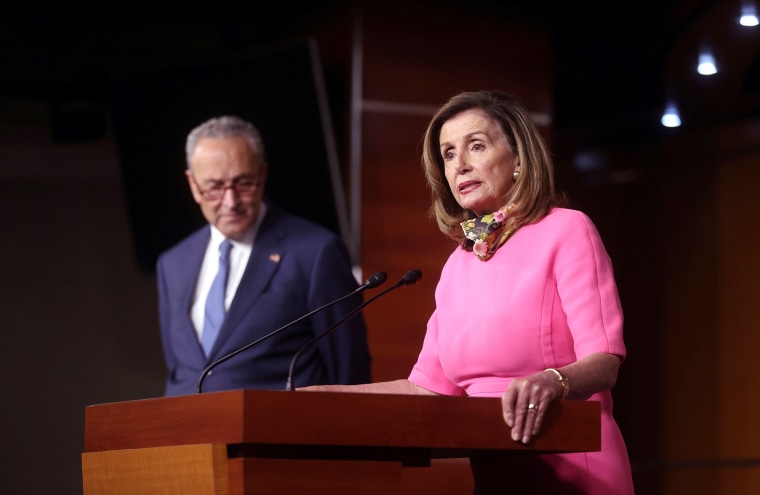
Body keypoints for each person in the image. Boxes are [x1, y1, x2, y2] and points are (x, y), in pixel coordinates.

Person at [301, 90, 634, 494]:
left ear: (518, 159)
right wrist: (320, 397)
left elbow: (604, 362)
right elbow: (425, 388)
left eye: (476, 146)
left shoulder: (567, 229)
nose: (460, 164)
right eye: (448, 154)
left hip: (577, 471)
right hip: (498, 476)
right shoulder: (459, 263)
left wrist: (552, 380)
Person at [156, 115, 372, 396]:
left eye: (243, 183)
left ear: (262, 175)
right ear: (193, 185)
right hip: (189, 435)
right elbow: (181, 369)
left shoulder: (316, 252)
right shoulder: (172, 263)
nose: (230, 202)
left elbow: (349, 373)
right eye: (214, 188)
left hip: (278, 435)